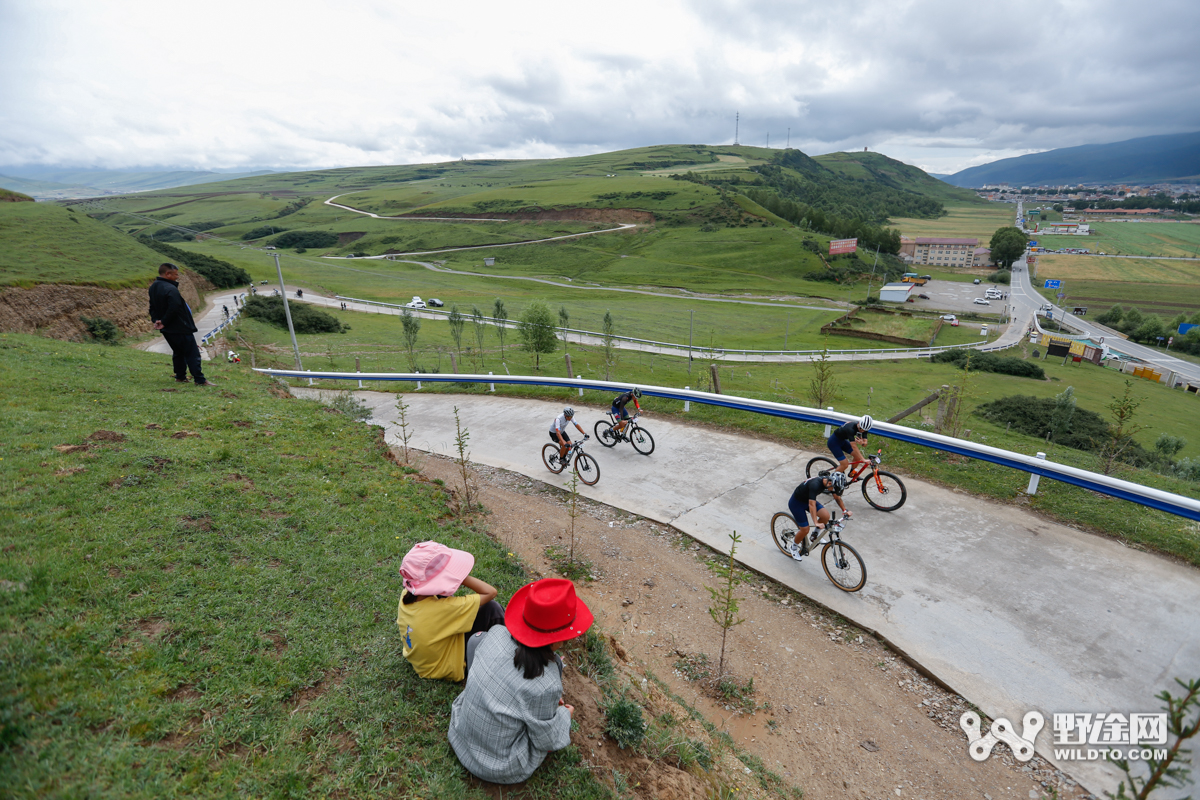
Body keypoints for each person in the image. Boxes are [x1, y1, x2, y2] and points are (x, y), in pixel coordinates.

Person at [448, 578, 593, 785]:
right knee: (546, 729)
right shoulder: (546, 685)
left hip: (460, 734)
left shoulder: (497, 633)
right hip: (496, 765)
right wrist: (564, 716)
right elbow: (547, 740)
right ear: (560, 638)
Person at [396, 541, 505, 682]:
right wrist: (457, 576)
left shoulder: (406, 594)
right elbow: (490, 592)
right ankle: (511, 656)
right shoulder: (444, 608)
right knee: (492, 609)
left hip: (423, 663)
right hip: (448, 667)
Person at [148, 262, 212, 386]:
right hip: (180, 327)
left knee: (178, 352)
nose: (177, 277)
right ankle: (199, 379)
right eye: (175, 274)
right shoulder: (170, 288)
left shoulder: (154, 287)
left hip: (167, 328)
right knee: (192, 353)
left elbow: (152, 306)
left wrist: (156, 320)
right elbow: (174, 307)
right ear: (167, 274)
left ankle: (180, 377)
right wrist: (165, 321)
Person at [785, 471, 850, 561]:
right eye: (834, 488)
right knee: (805, 529)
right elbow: (812, 505)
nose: (834, 490)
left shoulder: (830, 482)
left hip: (808, 500)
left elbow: (837, 497)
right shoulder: (815, 485)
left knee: (825, 516)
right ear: (830, 483)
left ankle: (815, 536)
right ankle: (794, 547)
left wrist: (845, 510)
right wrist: (816, 522)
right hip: (797, 503)